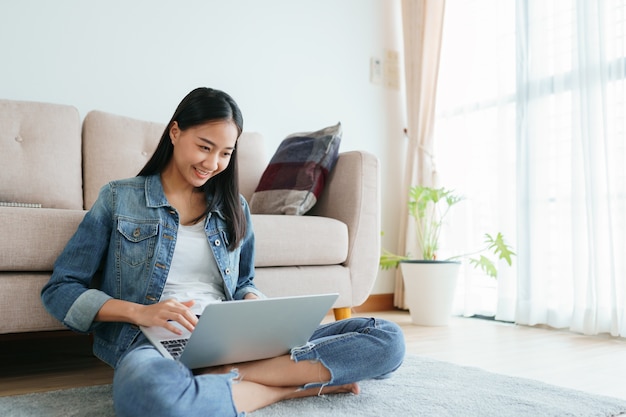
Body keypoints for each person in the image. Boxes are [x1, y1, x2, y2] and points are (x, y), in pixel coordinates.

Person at [41, 87, 405, 416]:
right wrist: (142, 313)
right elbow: (62, 288)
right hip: (155, 342)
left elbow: (244, 280)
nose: (213, 163)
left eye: (225, 153)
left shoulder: (234, 208)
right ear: (175, 131)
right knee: (150, 398)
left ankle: (230, 375)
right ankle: (286, 388)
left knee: (388, 340)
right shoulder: (119, 198)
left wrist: (251, 300)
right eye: (204, 146)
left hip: (233, 340)